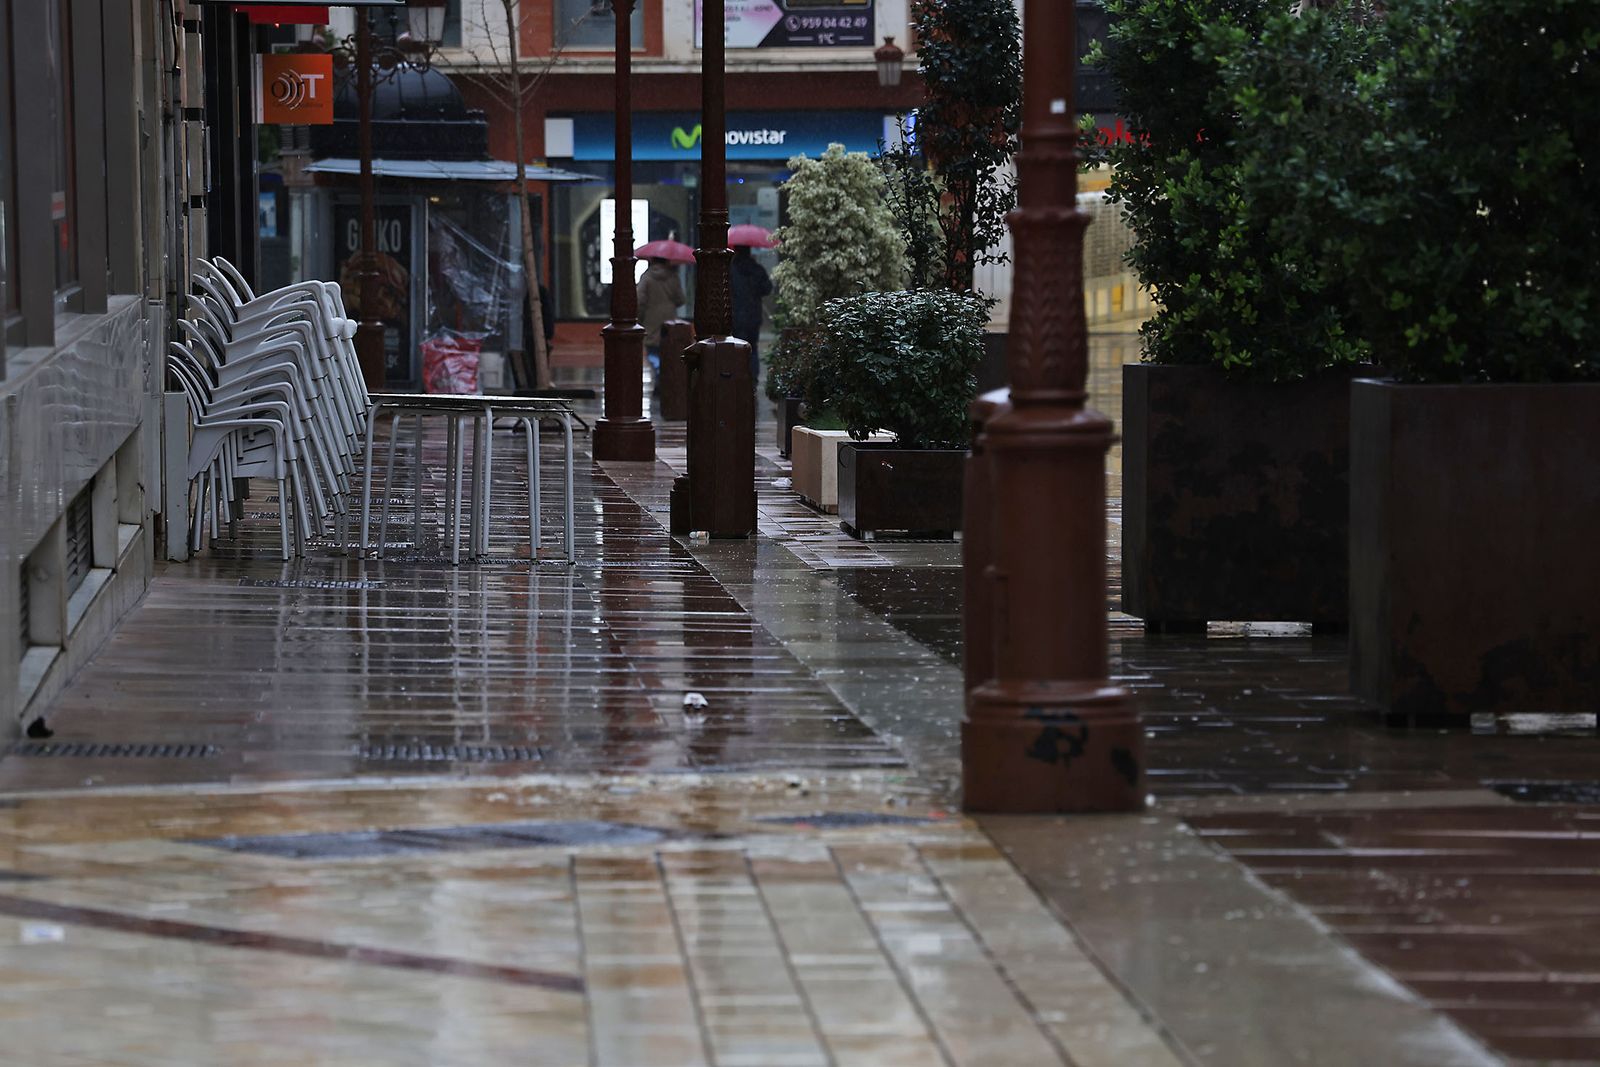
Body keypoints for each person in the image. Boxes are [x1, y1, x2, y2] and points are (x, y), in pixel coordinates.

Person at [636, 256, 685, 389]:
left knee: (653, 350)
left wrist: (639, 319)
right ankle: (667, 379)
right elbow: (681, 299)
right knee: (668, 351)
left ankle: (658, 376)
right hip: (670, 319)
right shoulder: (673, 276)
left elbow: (640, 300)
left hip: (651, 319)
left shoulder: (646, 277)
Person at [730, 245, 773, 387]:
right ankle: (753, 377)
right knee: (752, 347)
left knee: (736, 347)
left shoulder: (731, 270)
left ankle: (738, 376)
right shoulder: (757, 269)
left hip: (735, 315)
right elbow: (767, 288)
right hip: (754, 315)